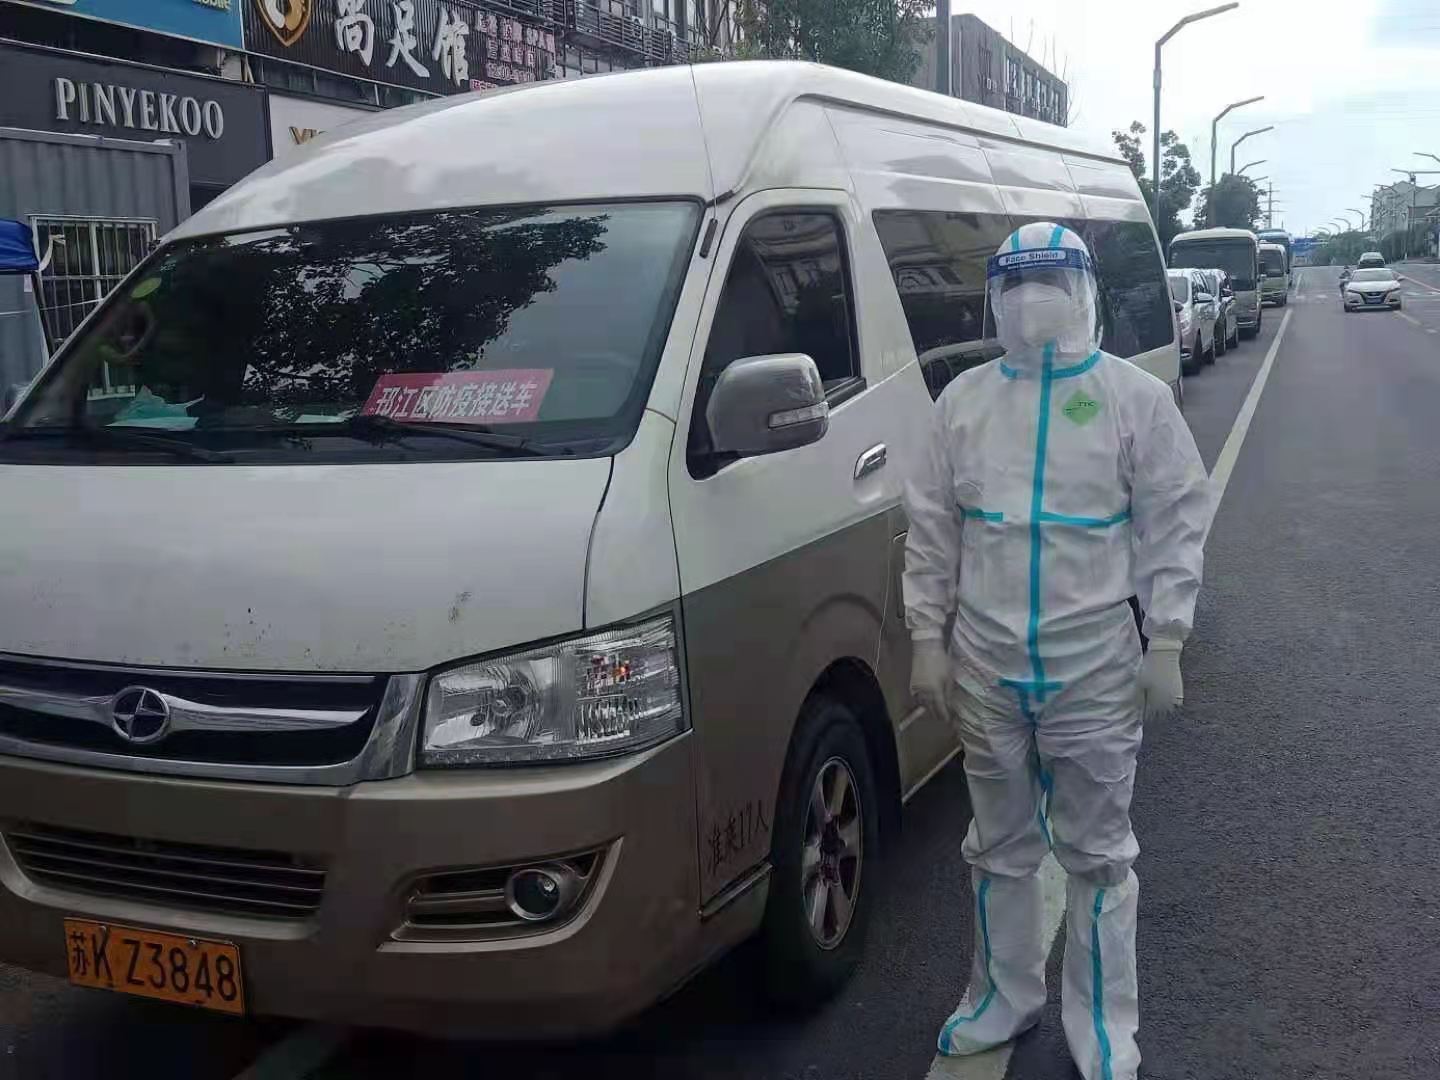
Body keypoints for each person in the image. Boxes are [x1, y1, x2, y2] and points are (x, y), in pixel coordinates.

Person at [904, 222, 1210, 1080]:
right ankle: (1000, 1000)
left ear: (1083, 294)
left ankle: (1104, 1029)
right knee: (997, 847)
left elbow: (1173, 518)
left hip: (1093, 666)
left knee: (1099, 854)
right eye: (1017, 285)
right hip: (987, 663)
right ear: (996, 298)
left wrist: (1168, 635)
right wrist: (927, 639)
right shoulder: (963, 403)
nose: (1033, 301)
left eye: (1050, 283)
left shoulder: (1131, 398)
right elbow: (931, 528)